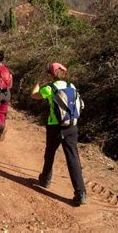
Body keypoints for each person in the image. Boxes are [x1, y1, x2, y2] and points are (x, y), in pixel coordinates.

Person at [31, 62, 87, 206]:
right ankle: (80, 193)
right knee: (73, 158)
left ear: (51, 74)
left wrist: (39, 80)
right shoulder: (72, 86)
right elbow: (81, 104)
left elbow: (34, 95)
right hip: (72, 126)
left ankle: (45, 179)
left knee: (50, 153)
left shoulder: (50, 88)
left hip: (55, 127)